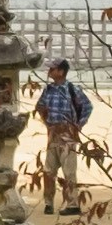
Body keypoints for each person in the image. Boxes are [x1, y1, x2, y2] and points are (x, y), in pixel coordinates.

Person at [35, 55, 92, 211]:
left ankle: (72, 204)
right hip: (53, 132)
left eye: (52, 69)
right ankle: (48, 203)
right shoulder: (48, 89)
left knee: (69, 171)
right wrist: (47, 123)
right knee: (49, 170)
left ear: (61, 71)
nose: (49, 71)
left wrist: (78, 126)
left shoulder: (72, 89)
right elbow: (40, 106)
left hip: (68, 133)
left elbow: (87, 107)